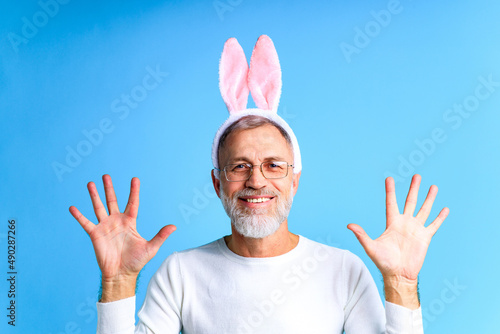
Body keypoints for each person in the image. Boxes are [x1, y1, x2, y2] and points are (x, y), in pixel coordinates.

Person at [69, 36, 449, 333]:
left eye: (273, 165)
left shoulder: (343, 271)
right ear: (218, 184)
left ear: (294, 180)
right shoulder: (181, 273)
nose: (256, 181)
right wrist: (117, 282)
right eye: (240, 166)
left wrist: (400, 284)